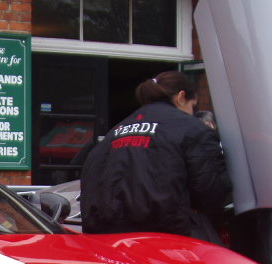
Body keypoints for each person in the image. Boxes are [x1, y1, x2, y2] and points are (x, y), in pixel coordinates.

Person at [80, 71, 231, 243]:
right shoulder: (193, 129)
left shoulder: (115, 132)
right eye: (193, 106)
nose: (192, 113)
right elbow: (210, 192)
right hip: (165, 238)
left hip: (108, 238)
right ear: (181, 97)